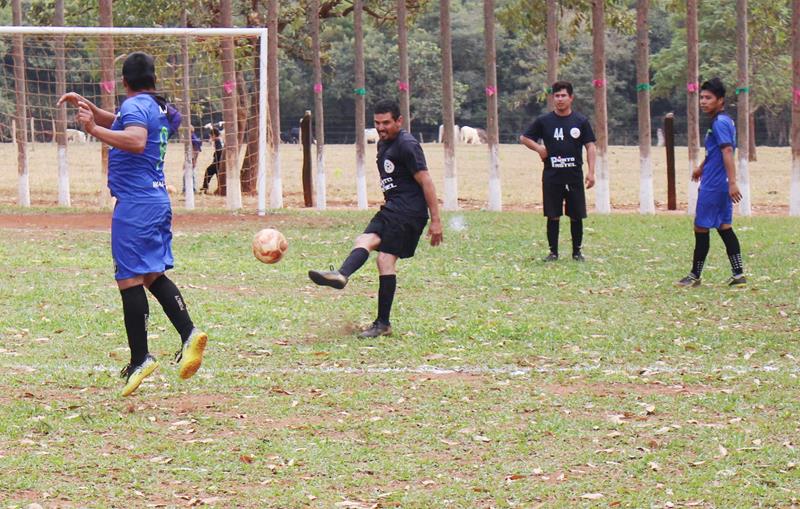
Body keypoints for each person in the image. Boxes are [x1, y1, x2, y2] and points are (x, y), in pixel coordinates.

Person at [57, 52, 207, 397]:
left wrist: (93, 129)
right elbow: (128, 123)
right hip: (156, 201)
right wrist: (94, 110)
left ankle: (141, 358)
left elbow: (136, 139)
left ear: (125, 83)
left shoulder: (136, 107)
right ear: (151, 79)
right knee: (152, 274)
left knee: (129, 279)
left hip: (136, 206)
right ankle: (189, 333)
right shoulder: (156, 106)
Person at [307, 99, 443, 338]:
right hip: (392, 208)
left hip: (409, 212)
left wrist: (436, 220)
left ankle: (383, 324)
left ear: (399, 121)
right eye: (377, 123)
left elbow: (426, 180)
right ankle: (341, 275)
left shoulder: (407, 145)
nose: (381, 128)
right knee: (364, 240)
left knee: (385, 260)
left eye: (386, 123)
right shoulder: (384, 144)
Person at [677, 78, 746, 287]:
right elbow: (716, 150)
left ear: (720, 100)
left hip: (715, 185)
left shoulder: (720, 123)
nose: (703, 102)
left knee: (700, 227)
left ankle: (694, 275)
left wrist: (732, 182)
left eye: (708, 98)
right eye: (702, 97)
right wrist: (702, 165)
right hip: (719, 181)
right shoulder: (722, 121)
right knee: (724, 226)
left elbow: (727, 151)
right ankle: (738, 274)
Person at [519, 80, 596, 262]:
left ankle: (577, 252)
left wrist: (591, 172)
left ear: (571, 98)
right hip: (552, 176)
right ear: (553, 98)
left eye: (563, 96)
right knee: (553, 215)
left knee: (576, 215)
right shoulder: (544, 121)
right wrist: (539, 148)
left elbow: (590, 147)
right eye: (557, 96)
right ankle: (553, 252)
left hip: (574, 175)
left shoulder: (581, 121)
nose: (560, 99)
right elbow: (524, 138)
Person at [201, 127, 223, 194]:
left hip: (218, 162)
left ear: (214, 135)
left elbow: (219, 151)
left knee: (208, 171)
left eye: (210, 136)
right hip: (218, 162)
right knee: (218, 176)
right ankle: (218, 189)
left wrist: (215, 156)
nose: (210, 137)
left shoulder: (217, 141)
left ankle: (205, 188)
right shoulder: (218, 140)